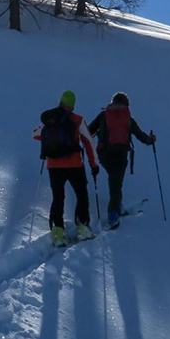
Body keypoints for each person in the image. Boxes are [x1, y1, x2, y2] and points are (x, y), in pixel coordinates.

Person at [33, 90, 99, 246]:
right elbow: (89, 142)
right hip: (75, 164)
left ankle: (58, 232)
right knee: (81, 194)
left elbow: (35, 134)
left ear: (60, 102)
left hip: (54, 166)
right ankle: (83, 228)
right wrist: (94, 165)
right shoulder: (77, 120)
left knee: (58, 197)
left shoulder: (50, 119)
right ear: (73, 105)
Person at [86, 92, 156, 228]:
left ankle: (118, 206)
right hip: (120, 155)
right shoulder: (128, 119)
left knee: (114, 181)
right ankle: (113, 215)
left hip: (104, 155)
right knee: (116, 184)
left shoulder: (103, 115)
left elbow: (88, 131)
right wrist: (151, 139)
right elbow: (141, 137)